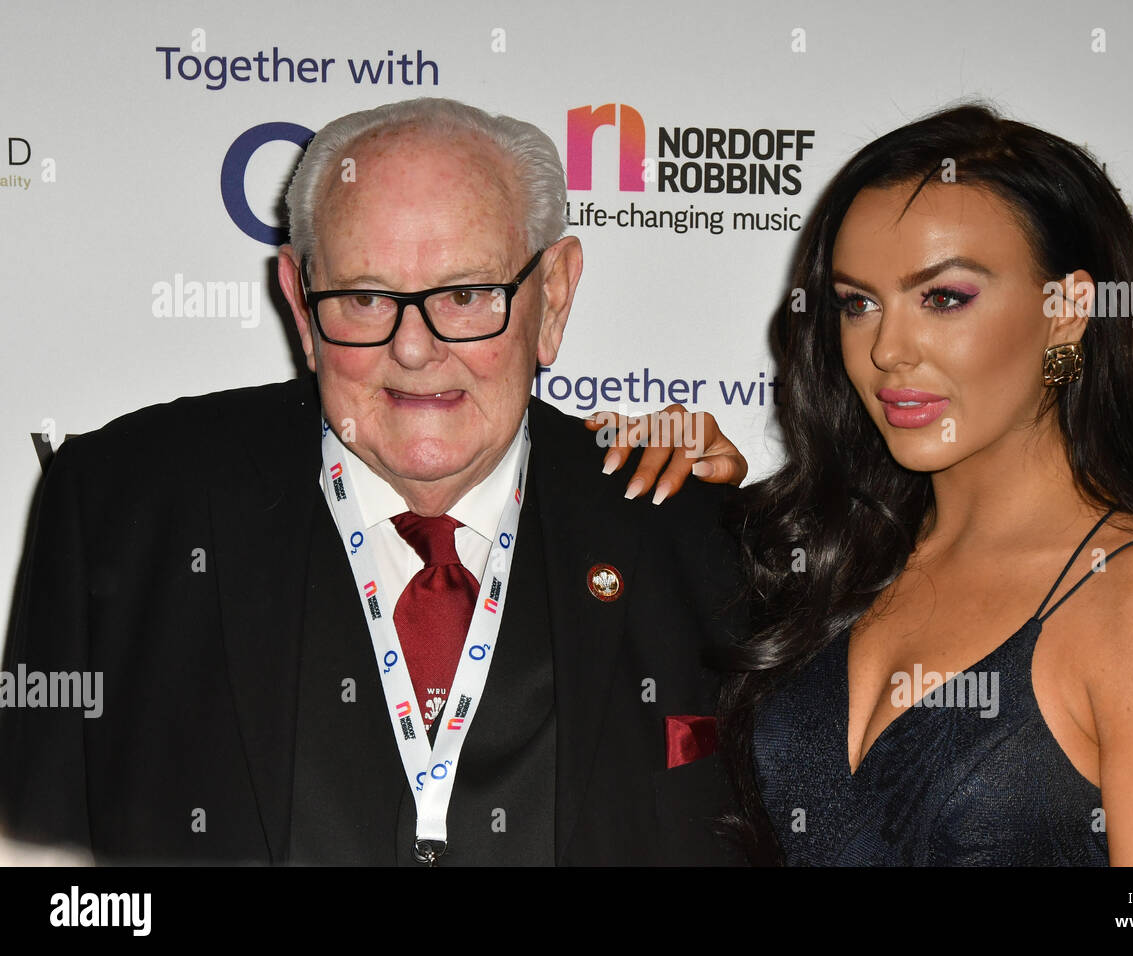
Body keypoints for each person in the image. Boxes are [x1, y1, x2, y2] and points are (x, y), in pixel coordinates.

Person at [0, 96, 750, 866]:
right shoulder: (121, 508)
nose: (416, 350)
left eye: (465, 294)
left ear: (553, 296)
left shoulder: (700, 540)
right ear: (299, 300)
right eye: (364, 298)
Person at [716, 103, 1133, 866]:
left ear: (1069, 310)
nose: (887, 350)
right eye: (857, 303)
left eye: (943, 298)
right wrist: (673, 500)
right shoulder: (831, 560)